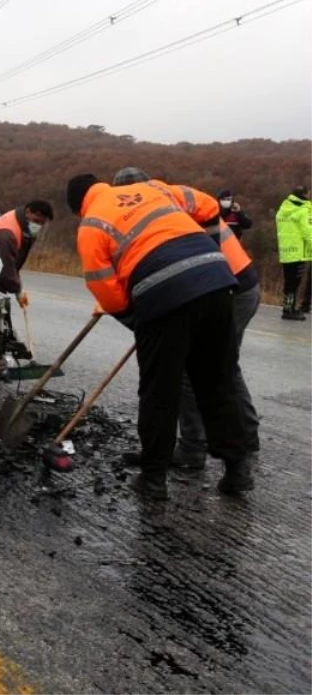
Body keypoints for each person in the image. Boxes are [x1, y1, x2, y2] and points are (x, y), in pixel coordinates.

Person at [67, 173, 251, 500]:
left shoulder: (91, 225)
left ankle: (153, 481)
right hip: (217, 281)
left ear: (78, 206)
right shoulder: (153, 188)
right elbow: (209, 205)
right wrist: (209, 247)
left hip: (163, 295)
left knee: (159, 392)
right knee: (217, 382)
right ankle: (238, 470)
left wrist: (139, 320)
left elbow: (105, 289)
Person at [112, 169, 261, 471]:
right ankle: (244, 440)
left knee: (195, 370)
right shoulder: (171, 200)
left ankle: (195, 448)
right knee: (223, 366)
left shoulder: (157, 212)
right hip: (235, 282)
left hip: (221, 287)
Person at [0, 200, 54, 307]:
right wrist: (18, 290)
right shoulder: (7, 234)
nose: (38, 225)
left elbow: (11, 262)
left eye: (42, 223)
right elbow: (6, 268)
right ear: (28, 212)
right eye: (36, 221)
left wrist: (18, 287)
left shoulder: (20, 223)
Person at [275, 186, 312, 320]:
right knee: (294, 282)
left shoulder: (283, 209)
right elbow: (308, 232)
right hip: (298, 251)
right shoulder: (304, 210)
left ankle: (288, 307)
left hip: (286, 250)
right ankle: (289, 310)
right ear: (305, 195)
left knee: (289, 282)